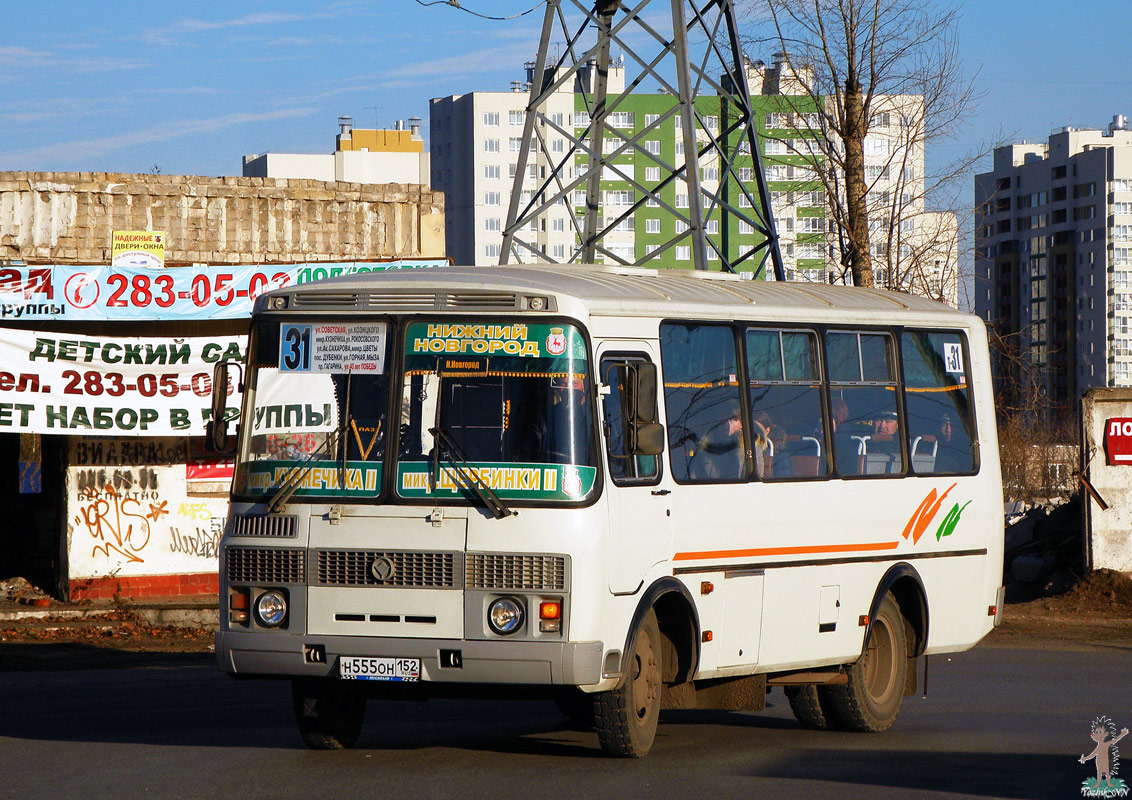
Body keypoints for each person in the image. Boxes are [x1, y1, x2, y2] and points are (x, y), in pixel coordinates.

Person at [692, 402, 745, 480]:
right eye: (723, 420)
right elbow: (693, 477)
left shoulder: (745, 448)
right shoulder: (702, 448)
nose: (727, 424)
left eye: (732, 419)